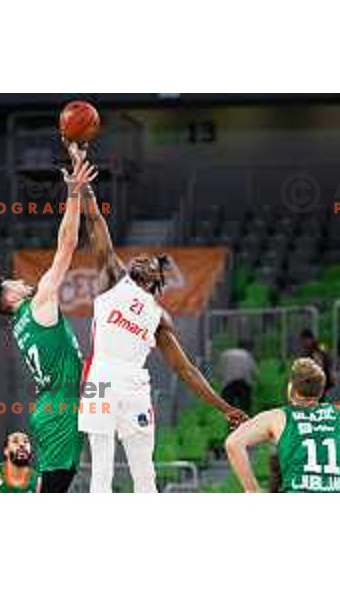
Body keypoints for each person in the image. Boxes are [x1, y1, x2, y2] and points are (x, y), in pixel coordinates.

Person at [69, 143, 248, 494]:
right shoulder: (112, 276)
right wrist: (82, 179)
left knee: (144, 472)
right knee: (100, 468)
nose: (142, 259)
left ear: (156, 280)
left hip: (135, 383)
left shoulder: (158, 318)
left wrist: (223, 407)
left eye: (151, 262)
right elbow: (94, 221)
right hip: (101, 375)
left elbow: (187, 371)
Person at [0, 149, 97, 492]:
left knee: (55, 484)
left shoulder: (22, 322)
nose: (22, 281)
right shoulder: (39, 305)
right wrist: (74, 192)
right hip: (59, 406)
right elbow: (67, 244)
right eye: (14, 282)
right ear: (10, 298)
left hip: (54, 403)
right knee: (55, 487)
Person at [225, 358, 340, 493]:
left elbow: (233, 443)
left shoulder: (277, 417)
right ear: (320, 391)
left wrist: (252, 491)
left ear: (291, 388)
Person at [218, 340, 257, 413]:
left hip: (228, 384)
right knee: (245, 406)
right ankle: (246, 419)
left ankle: (230, 421)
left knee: (228, 406)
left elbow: (220, 370)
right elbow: (254, 371)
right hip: (243, 383)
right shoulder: (247, 355)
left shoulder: (225, 354)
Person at [300, 328, 336, 399]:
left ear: (309, 339)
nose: (303, 343)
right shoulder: (309, 352)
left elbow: (322, 364)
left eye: (304, 340)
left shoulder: (316, 351)